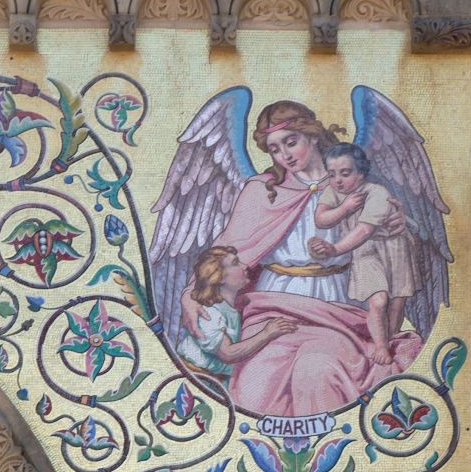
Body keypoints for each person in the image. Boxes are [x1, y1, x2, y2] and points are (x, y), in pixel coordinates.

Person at [177, 101, 420, 416]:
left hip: (340, 302)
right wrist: (190, 293)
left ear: (312, 136)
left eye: (291, 142)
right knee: (256, 383)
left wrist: (397, 226)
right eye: (275, 150)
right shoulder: (262, 191)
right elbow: (226, 248)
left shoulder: (355, 184)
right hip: (272, 303)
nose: (285, 155)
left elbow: (394, 246)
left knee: (318, 370)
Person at [309, 143, 419, 365]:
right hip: (365, 253)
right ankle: (380, 346)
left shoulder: (377, 192)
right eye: (331, 174)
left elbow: (364, 230)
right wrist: (344, 209)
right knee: (378, 301)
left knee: (397, 302)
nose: (337, 180)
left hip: (394, 249)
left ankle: (390, 340)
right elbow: (320, 218)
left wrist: (335, 249)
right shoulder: (334, 193)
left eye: (345, 173)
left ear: (360, 174)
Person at [177, 246, 297, 386]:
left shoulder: (233, 308)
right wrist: (267, 333)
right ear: (219, 277)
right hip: (195, 379)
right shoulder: (209, 312)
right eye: (235, 263)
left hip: (217, 381)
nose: (245, 266)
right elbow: (227, 353)